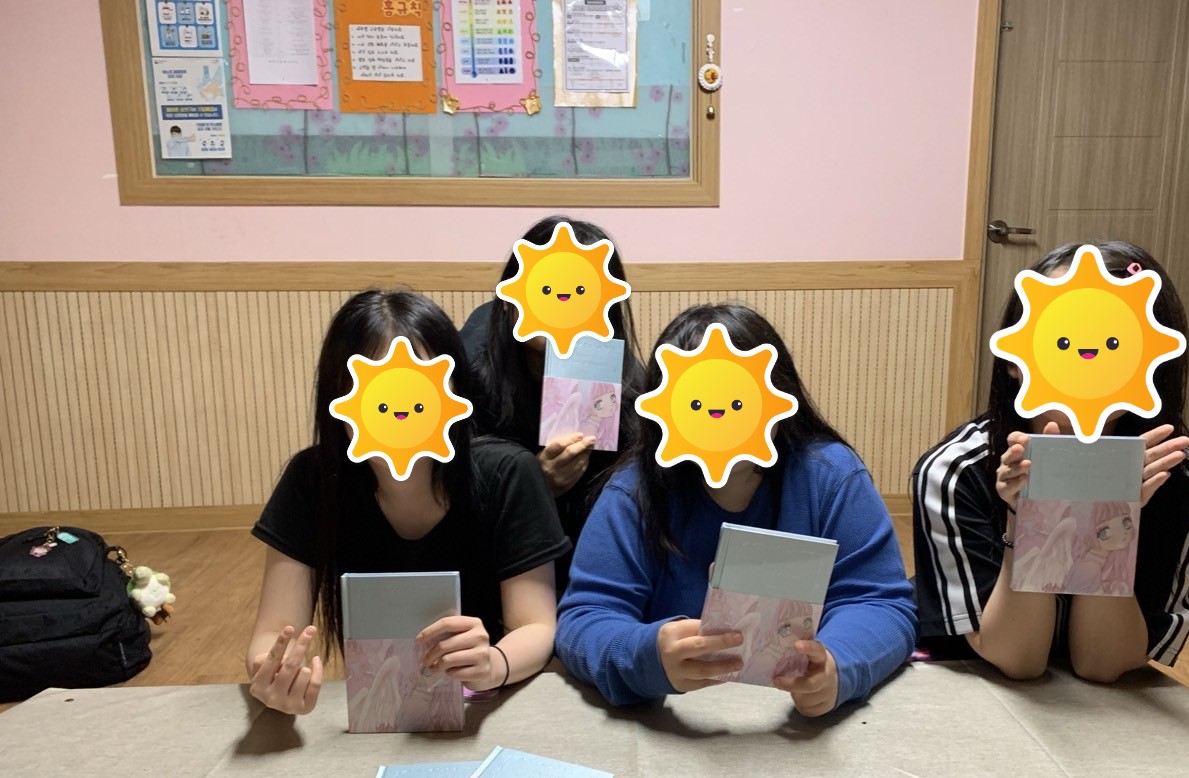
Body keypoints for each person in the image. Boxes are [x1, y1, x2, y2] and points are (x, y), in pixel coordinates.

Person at [555, 303, 917, 717]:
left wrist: (837, 663)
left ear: (778, 397)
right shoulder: (633, 493)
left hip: (794, 724)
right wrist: (646, 655)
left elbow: (881, 603)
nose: (719, 415)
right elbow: (584, 618)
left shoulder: (830, 476)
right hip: (674, 721)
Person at [245, 290, 570, 715]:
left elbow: (536, 625)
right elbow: (273, 634)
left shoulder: (507, 473)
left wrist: (494, 663)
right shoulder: (312, 480)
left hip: (493, 705)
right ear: (339, 397)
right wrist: (272, 674)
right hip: (378, 709)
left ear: (453, 392)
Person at [911, 240, 1189, 682]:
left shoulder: (1187, 481)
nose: (1086, 359)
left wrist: (1112, 511)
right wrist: (1030, 514)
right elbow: (1018, 659)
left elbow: (1102, 664)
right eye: (1061, 338)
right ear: (1014, 358)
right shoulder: (954, 471)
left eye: (1114, 340)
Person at [461, 217, 645, 588]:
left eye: (581, 292)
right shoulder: (472, 373)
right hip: (494, 566)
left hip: (589, 560)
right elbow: (451, 507)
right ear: (512, 298)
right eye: (545, 290)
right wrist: (532, 486)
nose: (562, 307)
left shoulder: (624, 384)